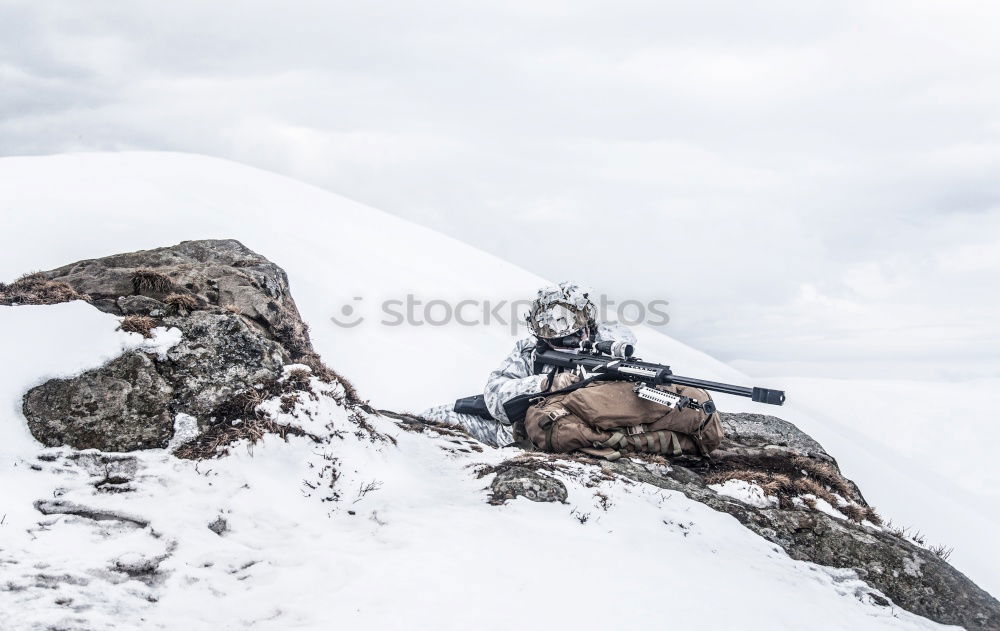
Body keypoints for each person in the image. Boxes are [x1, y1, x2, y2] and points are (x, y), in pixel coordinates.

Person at [421, 282, 636, 447]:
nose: (556, 339)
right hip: (510, 434)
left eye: (566, 330)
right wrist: (545, 384)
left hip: (553, 439)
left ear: (586, 326)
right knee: (430, 418)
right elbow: (496, 397)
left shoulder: (611, 355)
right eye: (549, 332)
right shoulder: (531, 351)